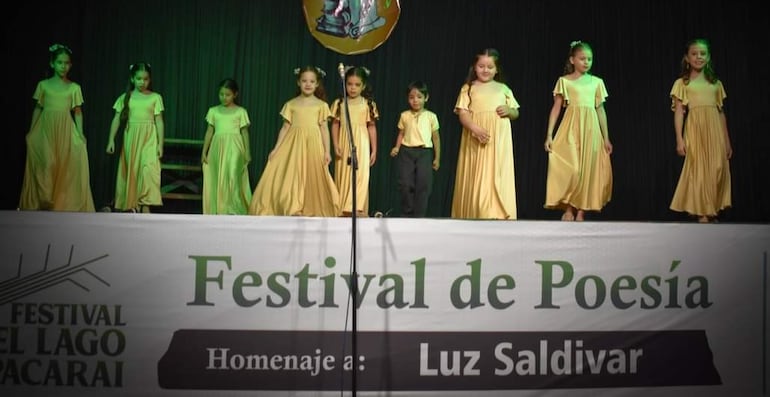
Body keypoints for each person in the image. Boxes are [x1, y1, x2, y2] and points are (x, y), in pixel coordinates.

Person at [249, 66, 340, 216]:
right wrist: (276, 149)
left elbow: (324, 128)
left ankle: (309, 206)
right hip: (294, 143)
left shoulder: (321, 105)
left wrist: (327, 151)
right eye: (304, 81)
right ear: (298, 82)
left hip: (313, 143)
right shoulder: (291, 104)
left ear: (317, 84)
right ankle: (293, 206)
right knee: (295, 174)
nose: (308, 84)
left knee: (311, 174)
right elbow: (285, 127)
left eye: (311, 81)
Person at [19, 43, 95, 212]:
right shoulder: (43, 85)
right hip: (46, 128)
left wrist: (80, 134)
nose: (63, 66)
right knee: (47, 163)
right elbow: (38, 108)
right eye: (60, 62)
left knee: (64, 165)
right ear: (52, 63)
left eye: (67, 63)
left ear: (71, 65)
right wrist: (31, 131)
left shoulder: (74, 88)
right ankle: (44, 199)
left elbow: (78, 112)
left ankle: (59, 203)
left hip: (65, 129)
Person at [544, 40, 613, 221]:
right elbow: (556, 108)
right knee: (572, 169)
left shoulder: (597, 82)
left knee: (587, 170)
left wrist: (606, 137)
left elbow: (600, 110)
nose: (586, 62)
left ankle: (581, 210)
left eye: (589, 59)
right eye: (582, 58)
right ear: (572, 60)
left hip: (591, 129)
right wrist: (549, 135)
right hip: (570, 127)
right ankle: (568, 208)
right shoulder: (564, 82)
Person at [451, 48, 520, 220]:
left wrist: (509, 110)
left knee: (496, 173)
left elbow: (516, 113)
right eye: (481, 66)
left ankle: (497, 211)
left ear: (497, 70)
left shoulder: (503, 88)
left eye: (490, 67)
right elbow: (463, 113)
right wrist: (475, 128)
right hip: (476, 137)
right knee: (477, 175)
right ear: (475, 67)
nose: (485, 70)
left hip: (498, 141)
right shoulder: (468, 88)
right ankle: (478, 211)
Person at [669, 39, 732, 223]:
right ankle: (703, 213)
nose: (699, 57)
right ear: (687, 58)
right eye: (694, 54)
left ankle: (711, 209)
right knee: (699, 170)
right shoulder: (683, 83)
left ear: (709, 57)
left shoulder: (716, 84)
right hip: (695, 129)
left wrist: (727, 141)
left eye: (702, 53)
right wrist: (679, 139)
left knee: (717, 168)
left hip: (714, 130)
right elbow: (679, 112)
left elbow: (721, 113)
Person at [106, 62, 165, 213]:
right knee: (132, 170)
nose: (142, 82)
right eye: (138, 79)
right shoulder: (126, 97)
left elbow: (159, 121)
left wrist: (160, 144)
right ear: (132, 79)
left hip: (149, 137)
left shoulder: (155, 97)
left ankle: (145, 204)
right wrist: (111, 139)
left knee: (148, 170)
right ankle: (132, 205)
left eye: (145, 79)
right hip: (131, 137)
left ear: (149, 80)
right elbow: (117, 119)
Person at [331, 66, 378, 217]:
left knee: (361, 174)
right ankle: (343, 208)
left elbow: (371, 127)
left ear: (363, 86)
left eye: (357, 85)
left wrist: (374, 149)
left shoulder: (368, 104)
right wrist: (336, 144)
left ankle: (357, 207)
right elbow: (335, 124)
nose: (353, 88)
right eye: (350, 84)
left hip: (361, 143)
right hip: (345, 142)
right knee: (344, 174)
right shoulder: (339, 103)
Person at [201, 78, 252, 215]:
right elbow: (209, 131)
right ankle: (220, 208)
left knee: (233, 174)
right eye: (221, 94)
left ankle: (234, 208)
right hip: (217, 147)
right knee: (218, 176)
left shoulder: (241, 111)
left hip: (235, 147)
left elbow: (245, 133)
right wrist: (204, 151)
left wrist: (247, 151)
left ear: (235, 94)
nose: (224, 97)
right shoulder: (213, 111)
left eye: (228, 94)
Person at [390, 81, 440, 217]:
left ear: (426, 98)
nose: (415, 100)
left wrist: (437, 158)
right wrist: (396, 147)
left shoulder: (431, 116)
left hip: (425, 152)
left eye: (419, 97)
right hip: (407, 151)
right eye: (411, 97)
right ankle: (408, 212)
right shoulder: (404, 115)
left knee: (423, 184)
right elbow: (401, 133)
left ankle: (419, 216)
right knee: (405, 183)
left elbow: (436, 138)